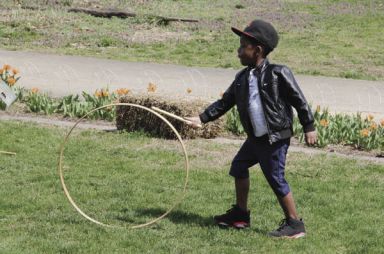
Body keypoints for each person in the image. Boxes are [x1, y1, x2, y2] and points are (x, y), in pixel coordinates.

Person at [185, 19, 317, 239]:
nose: (237, 52)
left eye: (242, 46)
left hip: (275, 137)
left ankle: (295, 224)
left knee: (275, 177)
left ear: (257, 50)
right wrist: (201, 118)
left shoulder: (278, 73)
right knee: (239, 166)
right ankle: (240, 215)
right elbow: (224, 102)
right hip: (256, 138)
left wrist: (309, 126)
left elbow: (299, 100)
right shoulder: (241, 78)